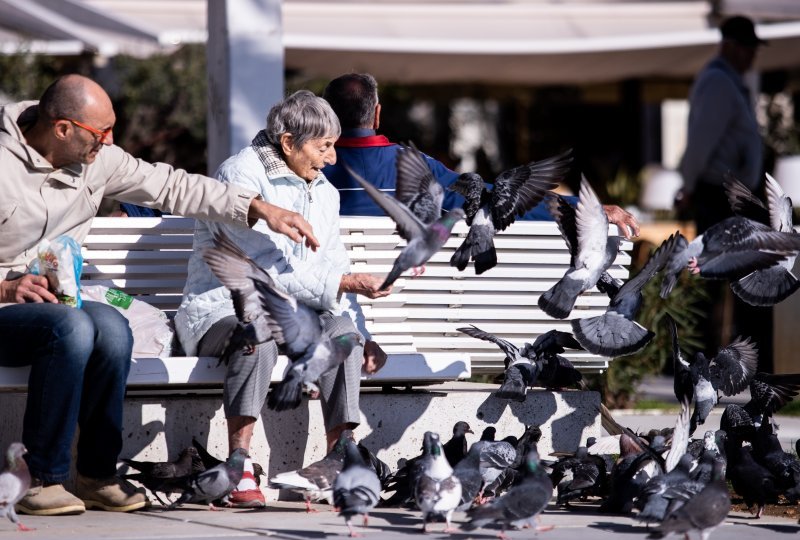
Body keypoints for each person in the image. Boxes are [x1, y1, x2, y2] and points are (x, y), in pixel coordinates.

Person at [0, 74, 319, 517]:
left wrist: (257, 207)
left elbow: (172, 185)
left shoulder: (99, 160)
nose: (109, 142)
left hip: (56, 302)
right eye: (100, 133)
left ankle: (96, 475)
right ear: (62, 129)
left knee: (113, 328)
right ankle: (43, 478)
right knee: (72, 328)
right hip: (6, 307)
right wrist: (7, 286)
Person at [174, 90, 390, 508]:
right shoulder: (239, 176)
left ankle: (340, 458)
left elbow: (333, 265)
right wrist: (346, 282)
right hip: (223, 310)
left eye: (333, 147)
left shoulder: (325, 190)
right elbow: (268, 273)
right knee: (258, 329)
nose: (331, 159)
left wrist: (362, 332)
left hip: (297, 316)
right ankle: (239, 463)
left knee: (342, 334)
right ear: (289, 143)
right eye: (323, 147)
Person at [321, 72, 640, 238]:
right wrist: (590, 208)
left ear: (327, 114)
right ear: (377, 114)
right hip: (407, 309)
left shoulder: (306, 172)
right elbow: (497, 200)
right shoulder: (421, 168)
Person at [675, 15, 772, 370]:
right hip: (718, 194)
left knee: (741, 277)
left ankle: (739, 358)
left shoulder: (731, 82)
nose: (752, 57)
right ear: (731, 46)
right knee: (714, 278)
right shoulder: (718, 82)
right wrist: (687, 185)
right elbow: (701, 142)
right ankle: (701, 359)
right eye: (747, 49)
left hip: (733, 194)